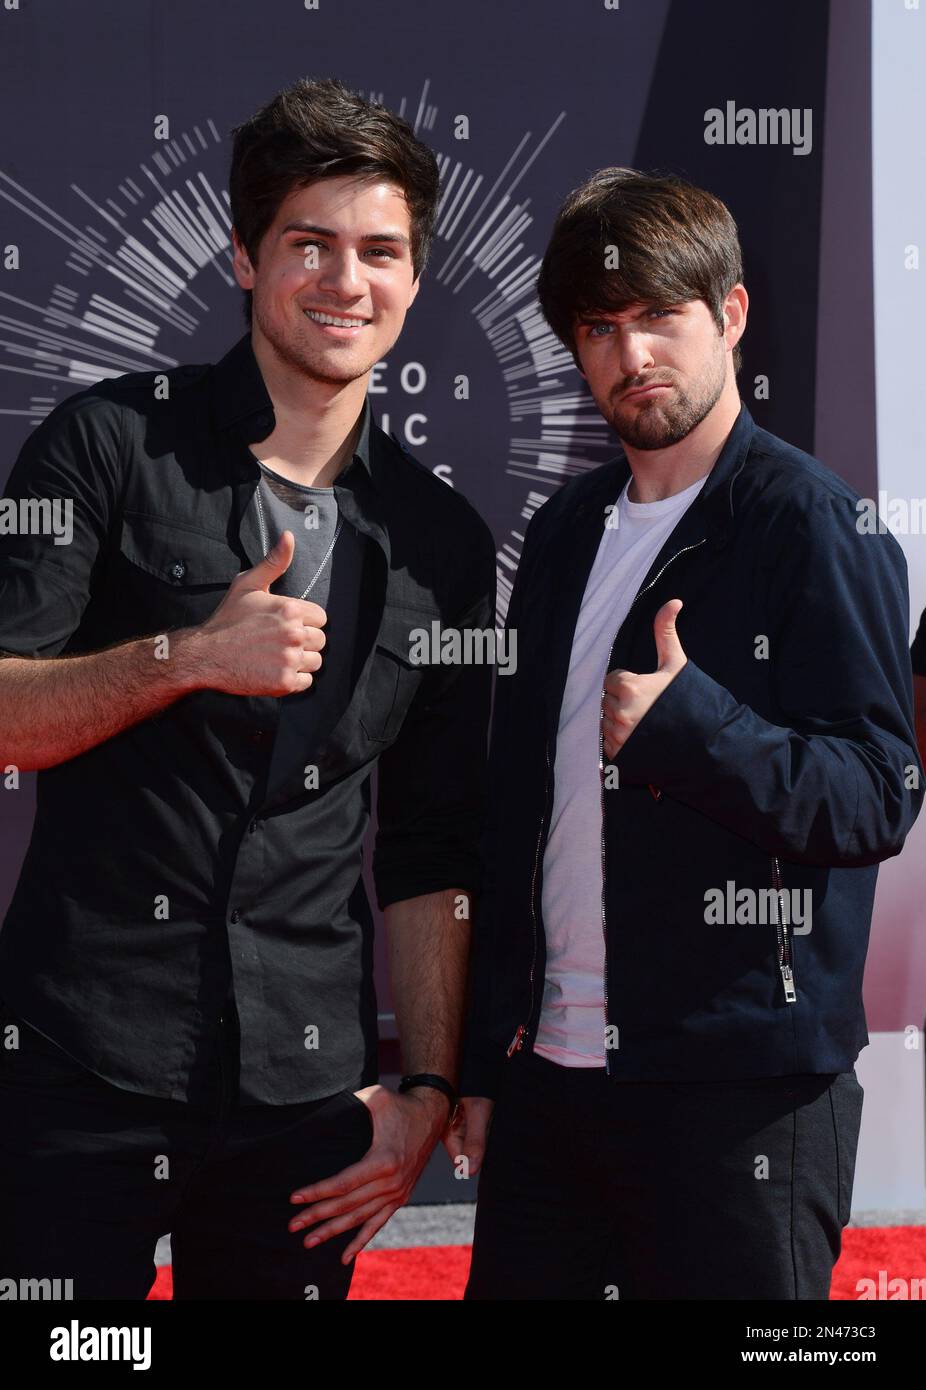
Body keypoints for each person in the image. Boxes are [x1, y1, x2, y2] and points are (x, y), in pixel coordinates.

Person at [0, 76, 495, 1301]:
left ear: (414, 280)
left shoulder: (442, 541)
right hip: (77, 1063)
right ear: (242, 257)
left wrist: (426, 1088)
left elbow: (431, 848)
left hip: (299, 1090)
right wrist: (187, 659)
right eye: (307, 244)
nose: (345, 280)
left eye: (379, 251)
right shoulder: (106, 444)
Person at [453, 168, 922, 1300]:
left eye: (661, 316)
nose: (632, 355)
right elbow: (515, 809)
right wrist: (481, 1056)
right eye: (600, 328)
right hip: (553, 1080)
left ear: (730, 315)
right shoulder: (564, 531)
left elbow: (876, 791)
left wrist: (697, 730)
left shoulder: (809, 522)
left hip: (738, 1093)